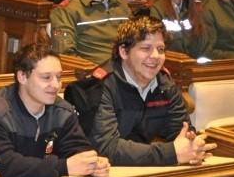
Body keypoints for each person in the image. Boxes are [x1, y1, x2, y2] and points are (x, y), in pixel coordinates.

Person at [87, 17, 215, 166]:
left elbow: (181, 134)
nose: (155, 56)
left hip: (146, 169)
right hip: (102, 173)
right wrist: (170, 153)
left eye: (160, 49)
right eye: (146, 48)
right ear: (124, 52)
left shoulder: (165, 84)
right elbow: (107, 148)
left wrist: (192, 145)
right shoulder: (100, 86)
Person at [0, 42, 108, 177]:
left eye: (59, 77)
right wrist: (63, 167)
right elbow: (4, 164)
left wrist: (93, 163)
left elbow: (78, 149)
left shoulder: (63, 111)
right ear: (22, 77)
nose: (56, 85)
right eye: (46, 77)